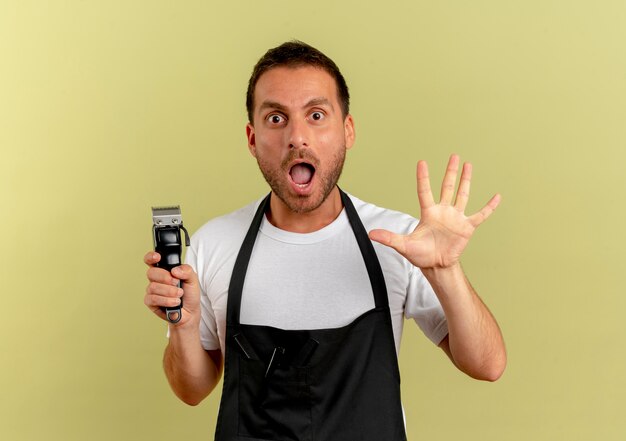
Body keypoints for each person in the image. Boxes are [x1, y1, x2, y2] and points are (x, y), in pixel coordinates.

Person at [144, 40, 506, 440]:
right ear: (252, 138)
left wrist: (445, 270)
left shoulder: (402, 241)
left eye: (316, 115)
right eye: (276, 119)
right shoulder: (213, 244)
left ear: (347, 130)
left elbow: (487, 365)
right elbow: (191, 390)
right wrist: (184, 326)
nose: (298, 137)